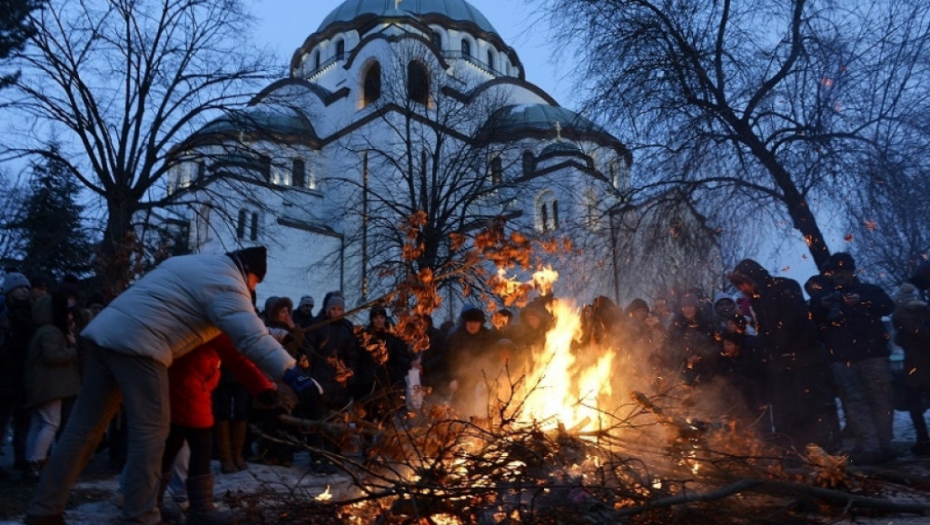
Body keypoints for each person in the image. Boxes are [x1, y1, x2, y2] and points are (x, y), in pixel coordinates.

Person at [24, 247, 322, 525]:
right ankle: (140, 514)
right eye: (256, 281)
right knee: (151, 435)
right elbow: (251, 338)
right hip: (141, 345)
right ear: (247, 272)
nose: (254, 289)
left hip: (103, 335)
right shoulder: (227, 283)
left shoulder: (188, 264)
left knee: (81, 430)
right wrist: (293, 376)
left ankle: (43, 510)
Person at [728, 259, 840, 453]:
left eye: (743, 283)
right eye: (739, 286)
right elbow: (764, 330)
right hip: (779, 366)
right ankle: (793, 451)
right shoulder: (756, 299)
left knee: (809, 408)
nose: (742, 289)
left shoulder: (785, 287)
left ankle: (819, 451)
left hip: (803, 360)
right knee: (785, 411)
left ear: (752, 278)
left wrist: (773, 346)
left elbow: (793, 322)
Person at [809, 253, 896, 464]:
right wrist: (823, 306)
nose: (840, 275)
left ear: (851, 271)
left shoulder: (869, 291)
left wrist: (862, 302)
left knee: (881, 401)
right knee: (854, 403)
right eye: (835, 272)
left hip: (873, 357)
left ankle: (884, 445)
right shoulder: (824, 297)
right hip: (842, 359)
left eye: (844, 271)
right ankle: (870, 447)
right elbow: (810, 316)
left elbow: (888, 306)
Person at [22, 289, 82, 483]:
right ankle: (36, 461)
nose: (71, 315)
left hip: (42, 385)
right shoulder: (51, 331)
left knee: (39, 423)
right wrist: (74, 349)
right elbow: (51, 357)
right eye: (68, 312)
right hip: (50, 386)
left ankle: (31, 461)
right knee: (50, 423)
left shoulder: (42, 330)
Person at [1, 271, 34, 473]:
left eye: (26, 288)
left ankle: (21, 458)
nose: (23, 291)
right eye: (19, 287)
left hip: (24, 374)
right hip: (5, 375)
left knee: (24, 421)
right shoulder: (4, 313)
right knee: (3, 421)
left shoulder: (31, 313)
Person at [891, 283, 930, 455]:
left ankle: (923, 440)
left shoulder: (900, 314)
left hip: (915, 365)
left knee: (914, 405)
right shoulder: (926, 311)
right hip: (923, 363)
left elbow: (908, 336)